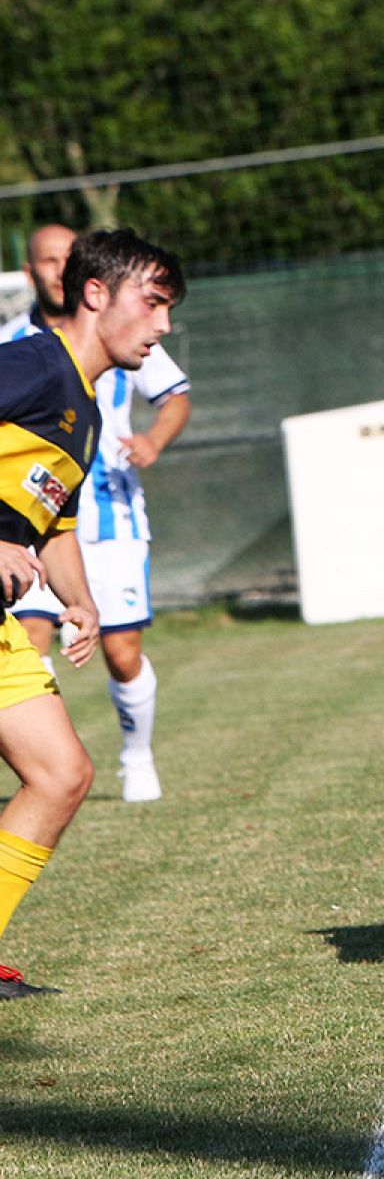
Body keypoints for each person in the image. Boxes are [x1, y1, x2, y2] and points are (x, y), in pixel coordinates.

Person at [0, 228, 186, 999]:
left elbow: (57, 524)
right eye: (153, 302)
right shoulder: (34, 364)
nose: (163, 325)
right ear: (96, 292)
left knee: (62, 774)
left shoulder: (85, 407)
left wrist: (80, 601)